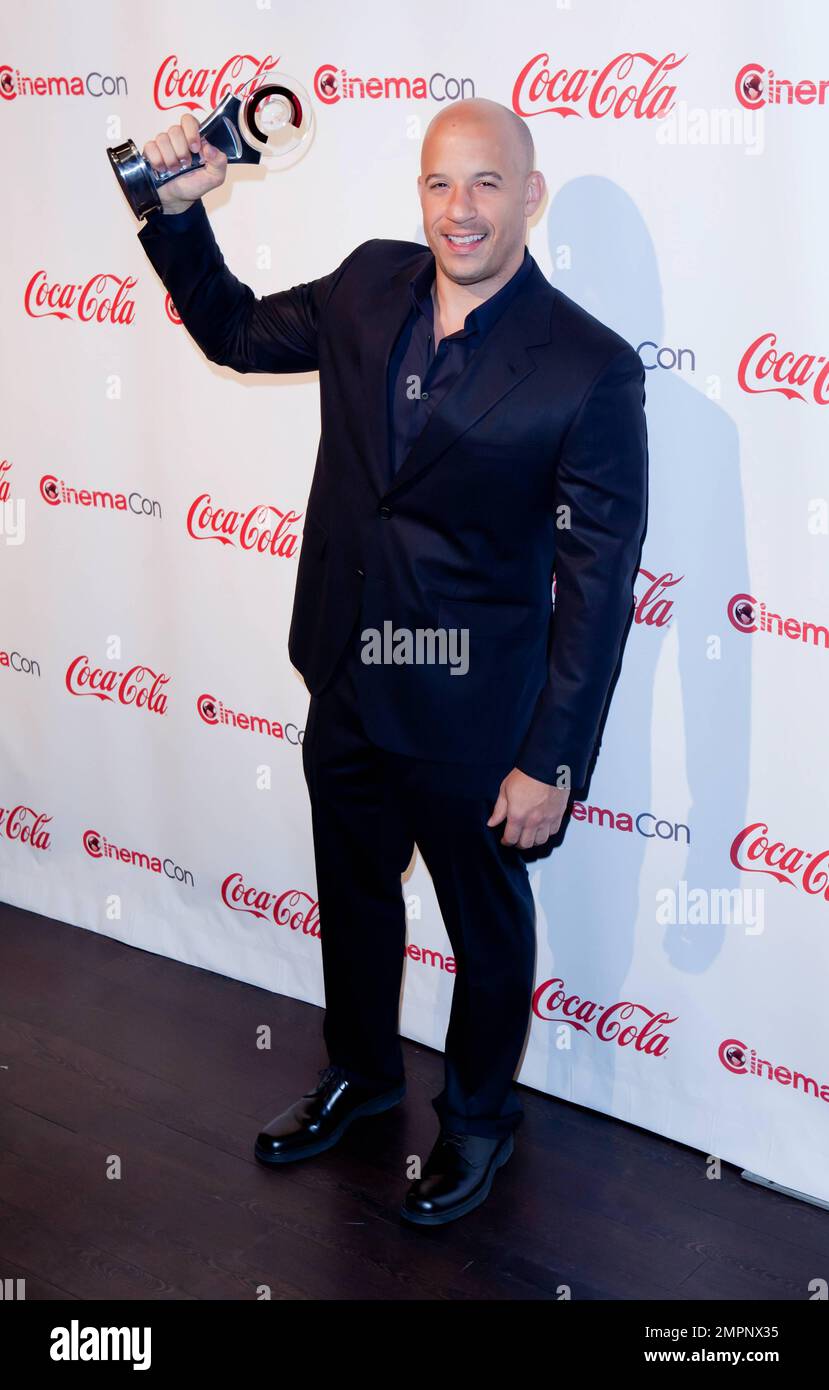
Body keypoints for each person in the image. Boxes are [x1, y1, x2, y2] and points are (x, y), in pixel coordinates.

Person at [135, 96, 648, 1226]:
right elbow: (231, 331)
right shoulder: (370, 283)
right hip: (348, 675)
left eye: (484, 184)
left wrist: (549, 759)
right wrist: (174, 215)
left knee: (485, 925)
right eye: (436, 183)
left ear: (531, 195)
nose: (457, 210)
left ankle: (475, 1122)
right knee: (353, 893)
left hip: (474, 718)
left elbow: (597, 590)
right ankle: (365, 1077)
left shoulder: (588, 369)